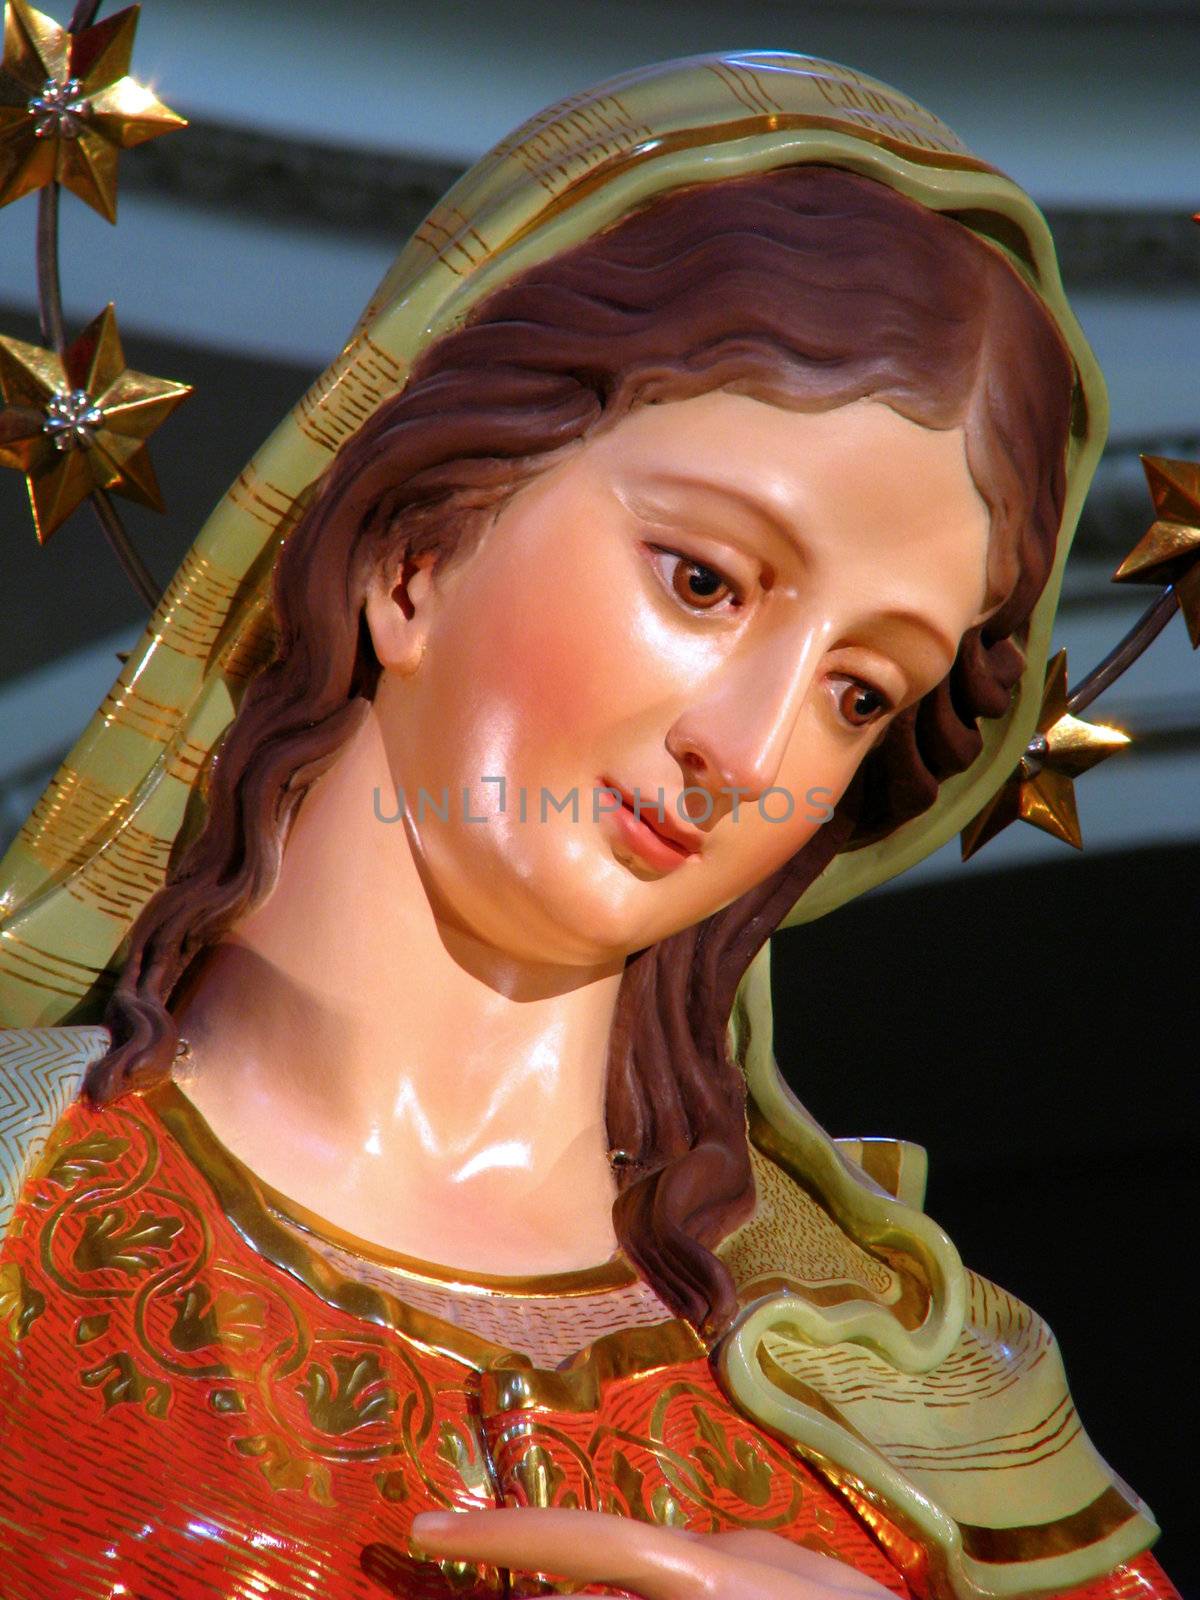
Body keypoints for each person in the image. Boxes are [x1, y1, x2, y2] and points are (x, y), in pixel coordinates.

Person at [0, 50, 1179, 1600]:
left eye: (858, 694)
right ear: (416, 548)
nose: (747, 749)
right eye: (704, 581)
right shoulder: (20, 1210)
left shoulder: (920, 1418)